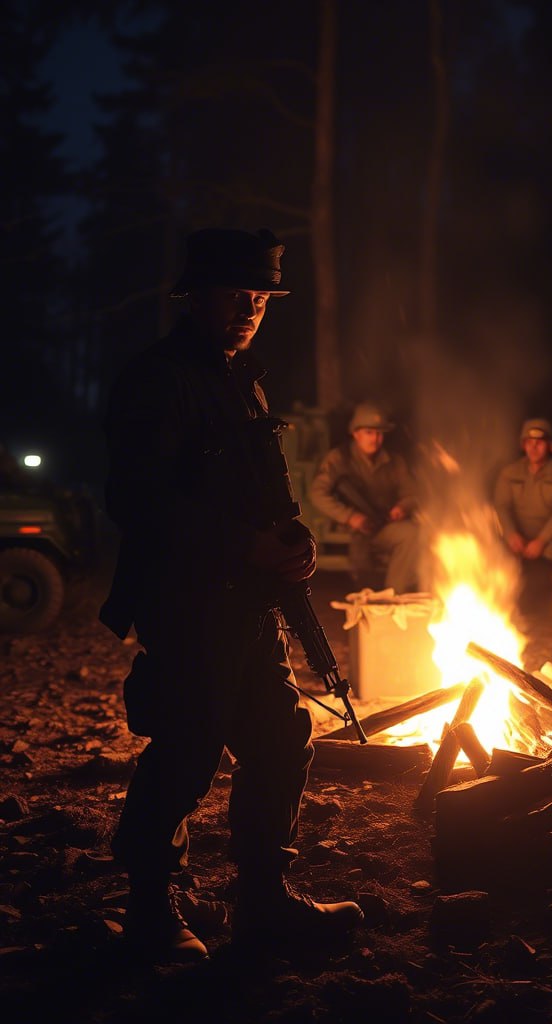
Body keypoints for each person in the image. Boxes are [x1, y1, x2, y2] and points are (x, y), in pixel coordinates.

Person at [100, 228, 363, 963]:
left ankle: (263, 901)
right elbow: (137, 500)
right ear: (198, 296)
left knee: (280, 740)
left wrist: (291, 543)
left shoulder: (242, 379)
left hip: (249, 605)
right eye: (237, 293)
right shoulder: (158, 380)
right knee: (186, 749)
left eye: (263, 297)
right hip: (185, 603)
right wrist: (244, 544)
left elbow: (258, 488)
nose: (251, 308)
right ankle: (150, 909)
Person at [308, 402, 421, 593]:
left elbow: (412, 494)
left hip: (383, 524)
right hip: (352, 530)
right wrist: (350, 517)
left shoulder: (394, 462)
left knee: (412, 534)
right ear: (355, 433)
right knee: (363, 567)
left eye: (379, 433)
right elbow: (318, 493)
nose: (375, 439)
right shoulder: (339, 458)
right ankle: (367, 599)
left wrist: (402, 507)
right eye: (369, 432)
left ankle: (394, 595)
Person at [493, 418, 552, 627]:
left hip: (549, 536)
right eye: (529, 442)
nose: (533, 447)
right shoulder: (510, 472)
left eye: (539, 442)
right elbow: (501, 506)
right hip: (518, 536)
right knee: (490, 546)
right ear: (523, 445)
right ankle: (505, 603)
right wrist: (510, 533)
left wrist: (541, 540)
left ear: (551, 446)